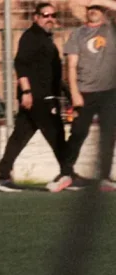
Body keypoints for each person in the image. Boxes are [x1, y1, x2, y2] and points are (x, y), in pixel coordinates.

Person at [0, 2, 69, 193]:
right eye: (45, 15)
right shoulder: (31, 37)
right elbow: (21, 65)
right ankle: (68, 173)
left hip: (43, 95)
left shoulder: (45, 38)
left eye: (53, 15)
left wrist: (68, 93)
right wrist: (26, 92)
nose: (50, 19)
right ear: (36, 17)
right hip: (38, 97)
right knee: (56, 134)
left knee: (21, 135)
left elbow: (50, 72)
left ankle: (3, 175)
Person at [65, 0, 116, 191]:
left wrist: (98, 1)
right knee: (78, 133)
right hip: (85, 92)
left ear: (104, 11)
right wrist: (74, 93)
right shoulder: (78, 34)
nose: (93, 11)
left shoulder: (111, 29)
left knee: (108, 135)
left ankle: (104, 177)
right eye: (90, 8)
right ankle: (66, 172)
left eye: (98, 9)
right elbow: (70, 66)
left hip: (109, 92)